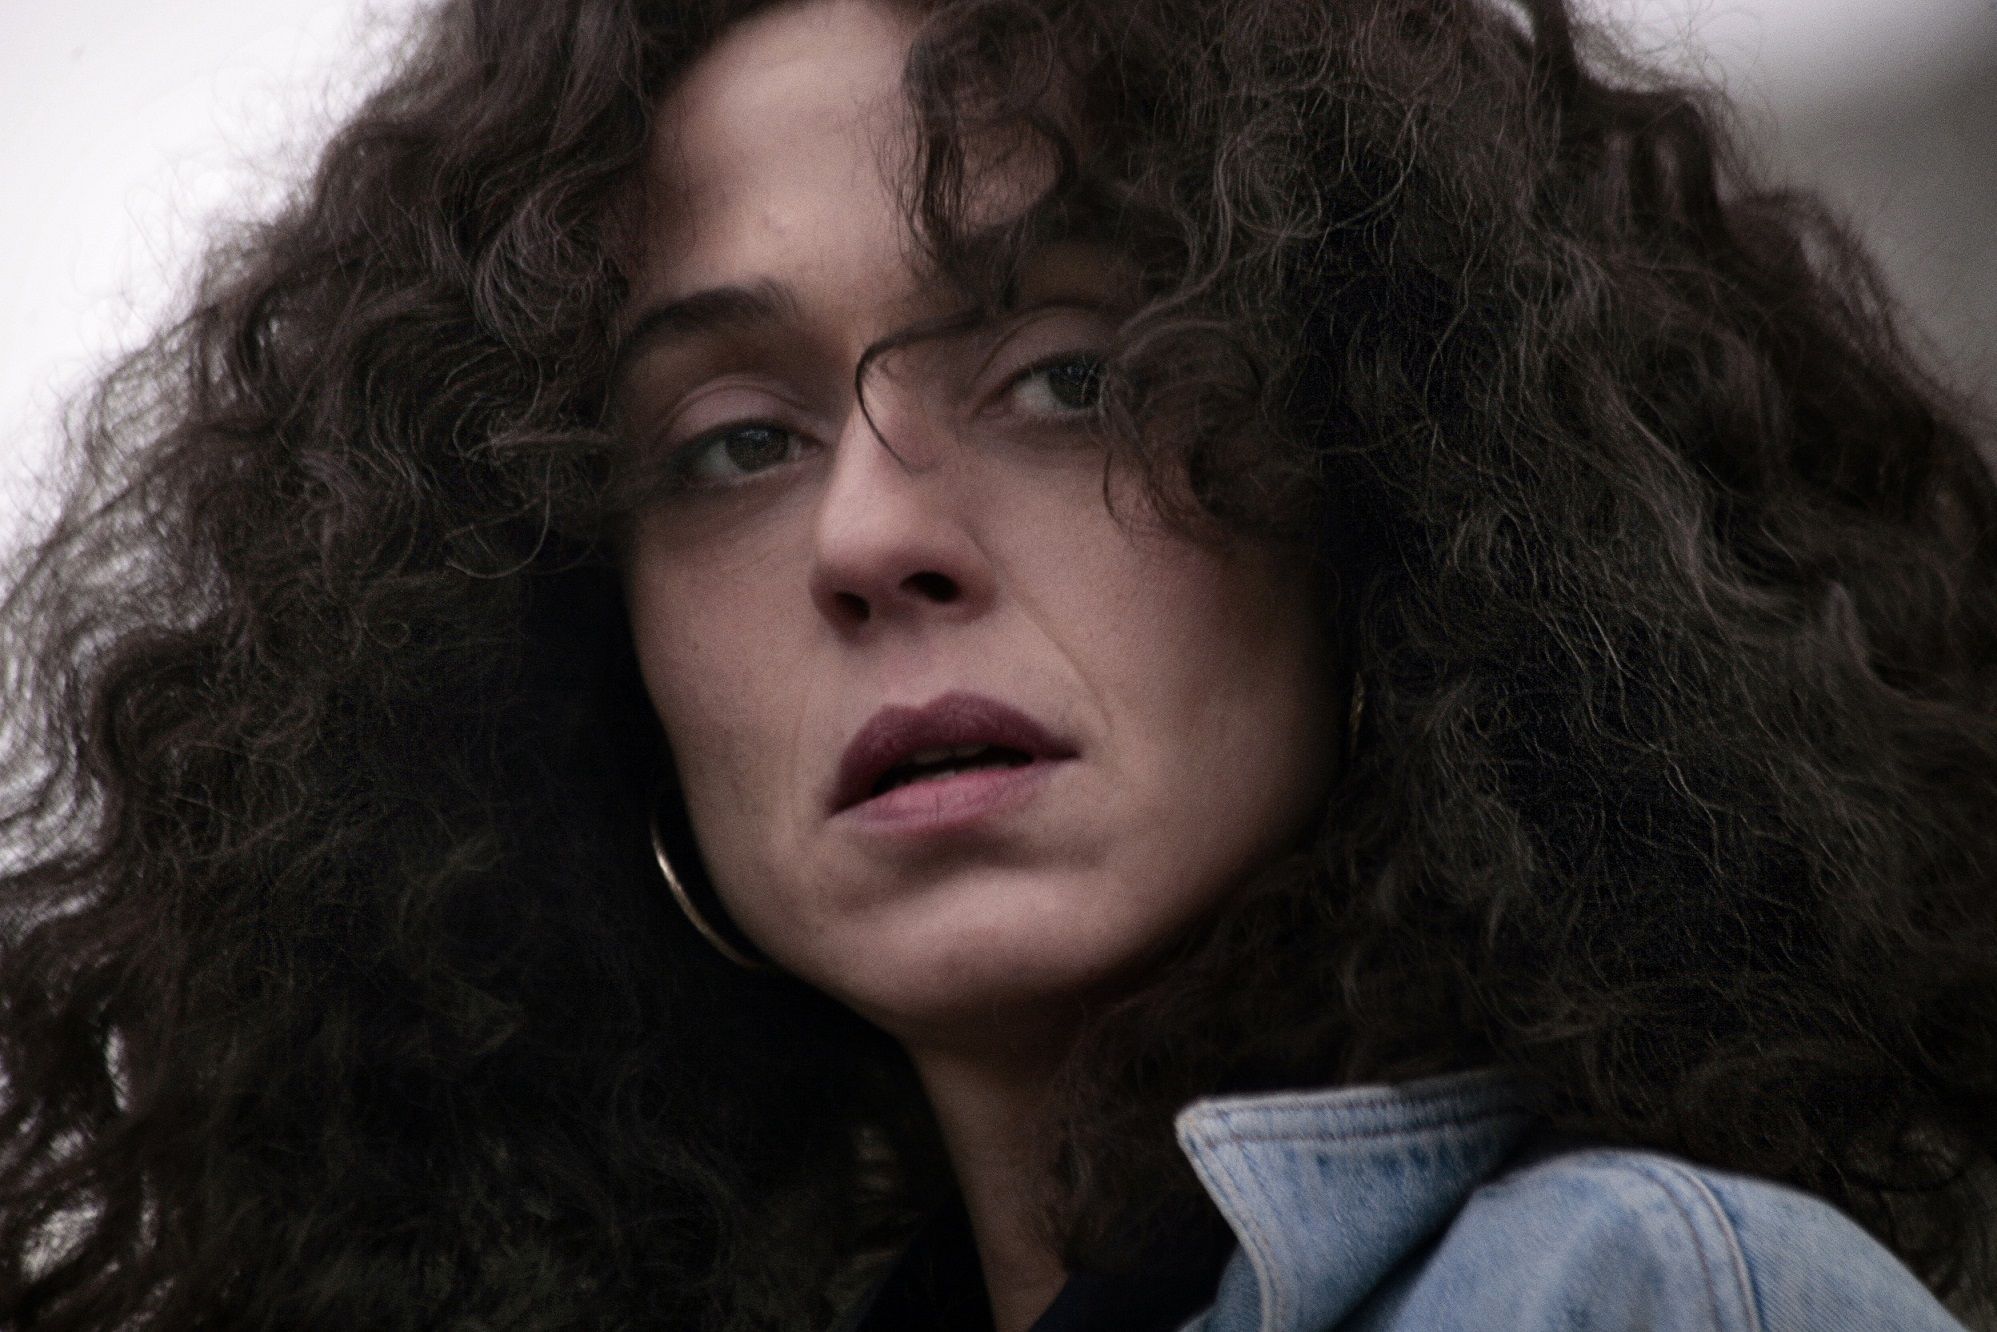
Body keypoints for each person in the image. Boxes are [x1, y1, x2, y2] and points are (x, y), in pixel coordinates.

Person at [3, 0, 1994, 1328]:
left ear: (1399, 499)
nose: (870, 536)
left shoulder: (1625, 1293)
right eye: (732, 443)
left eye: (1069, 378)